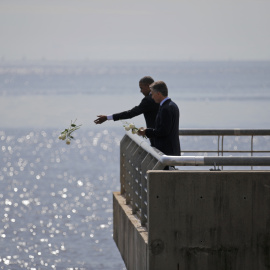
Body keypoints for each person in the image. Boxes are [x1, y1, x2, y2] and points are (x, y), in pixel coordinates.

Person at [94, 76, 160, 146]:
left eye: (141, 88)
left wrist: (107, 117)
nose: (141, 91)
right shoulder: (161, 97)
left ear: (148, 86)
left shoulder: (148, 100)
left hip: (157, 138)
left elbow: (130, 114)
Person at [138, 81, 181, 156]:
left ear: (158, 94)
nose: (152, 97)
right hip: (171, 149)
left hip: (166, 151)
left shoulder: (165, 108)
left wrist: (146, 132)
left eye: (153, 94)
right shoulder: (173, 105)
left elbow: (163, 131)